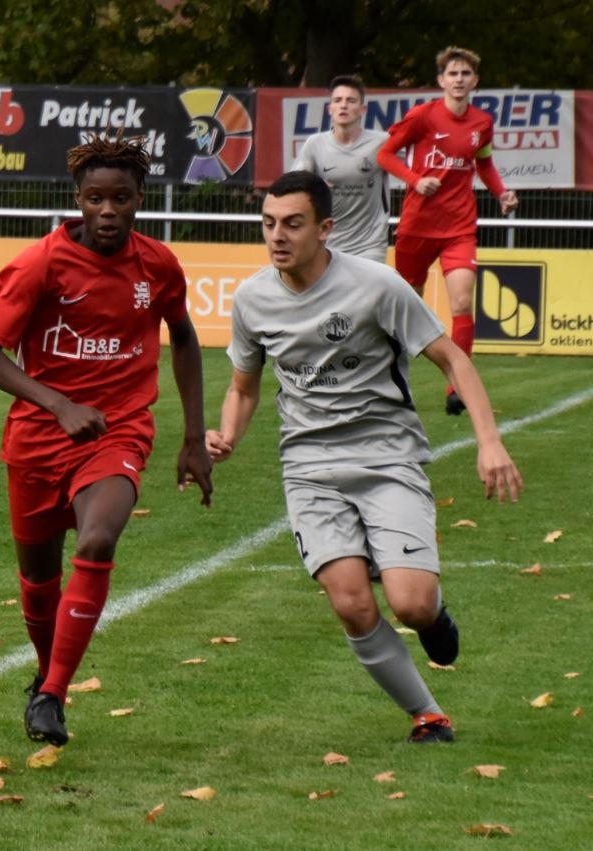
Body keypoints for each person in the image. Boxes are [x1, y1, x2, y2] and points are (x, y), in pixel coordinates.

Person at [207, 171, 523, 744]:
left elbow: (452, 359)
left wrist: (490, 442)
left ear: (325, 229)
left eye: (293, 224)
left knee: (411, 605)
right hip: (308, 467)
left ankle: (432, 614)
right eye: (269, 223)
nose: (277, 236)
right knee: (352, 605)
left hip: (387, 457)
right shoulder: (252, 298)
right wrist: (227, 434)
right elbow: (243, 388)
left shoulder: (377, 286)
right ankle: (427, 715)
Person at [0, 134, 214, 747]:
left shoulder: (157, 265)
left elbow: (184, 338)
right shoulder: (39, 264)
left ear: (140, 199)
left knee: (99, 538)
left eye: (121, 198)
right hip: (37, 440)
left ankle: (53, 692)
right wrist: (58, 403)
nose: (108, 211)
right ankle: (46, 676)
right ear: (78, 199)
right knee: (38, 585)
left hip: (118, 429)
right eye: (96, 199)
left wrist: (193, 437)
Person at [377, 46, 518, 416]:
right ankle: (390, 379)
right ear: (441, 80)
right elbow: (385, 154)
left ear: (475, 81)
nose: (459, 79)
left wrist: (502, 193)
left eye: (465, 74)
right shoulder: (422, 116)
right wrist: (415, 180)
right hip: (418, 225)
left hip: (459, 227)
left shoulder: (482, 123)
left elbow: (484, 164)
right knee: (406, 306)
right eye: (453, 74)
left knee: (461, 303)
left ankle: (457, 389)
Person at [292, 74, 390, 262]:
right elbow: (294, 187)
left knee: (367, 283)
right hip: (326, 243)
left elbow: (416, 163)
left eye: (351, 101)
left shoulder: (382, 142)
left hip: (369, 245)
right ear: (330, 109)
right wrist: (315, 186)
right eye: (337, 100)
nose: (343, 105)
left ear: (362, 109)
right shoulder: (315, 144)